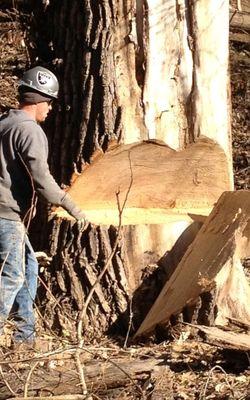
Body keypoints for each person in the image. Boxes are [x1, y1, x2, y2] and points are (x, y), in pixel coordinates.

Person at [0, 66, 87, 346]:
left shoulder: (4, 123)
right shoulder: (30, 131)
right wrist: (70, 205)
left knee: (28, 266)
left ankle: (24, 338)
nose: (49, 110)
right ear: (38, 101)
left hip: (5, 213)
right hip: (6, 214)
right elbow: (42, 179)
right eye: (49, 103)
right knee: (12, 276)